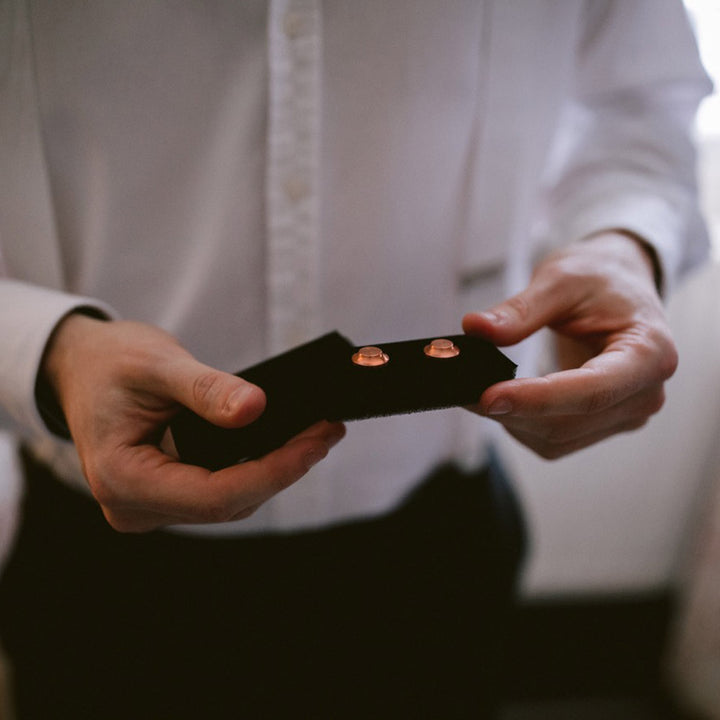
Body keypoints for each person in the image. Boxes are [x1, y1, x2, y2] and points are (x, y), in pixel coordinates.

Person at [0, 1, 711, 717]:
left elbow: (639, 108)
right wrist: (47, 346)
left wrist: (623, 243)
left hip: (437, 556)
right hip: (104, 572)